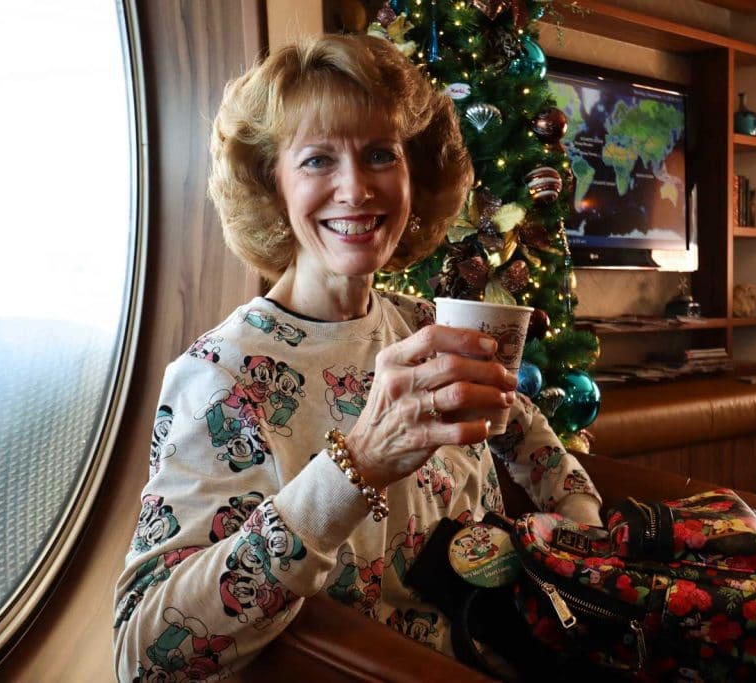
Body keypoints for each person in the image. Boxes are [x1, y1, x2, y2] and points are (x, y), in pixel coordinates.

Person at [112, 32, 602, 681]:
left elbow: (523, 430)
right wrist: (357, 465)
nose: (356, 188)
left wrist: (581, 538)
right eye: (317, 160)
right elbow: (142, 656)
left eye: (379, 154)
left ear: (412, 173)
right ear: (271, 183)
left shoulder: (425, 323)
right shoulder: (223, 378)